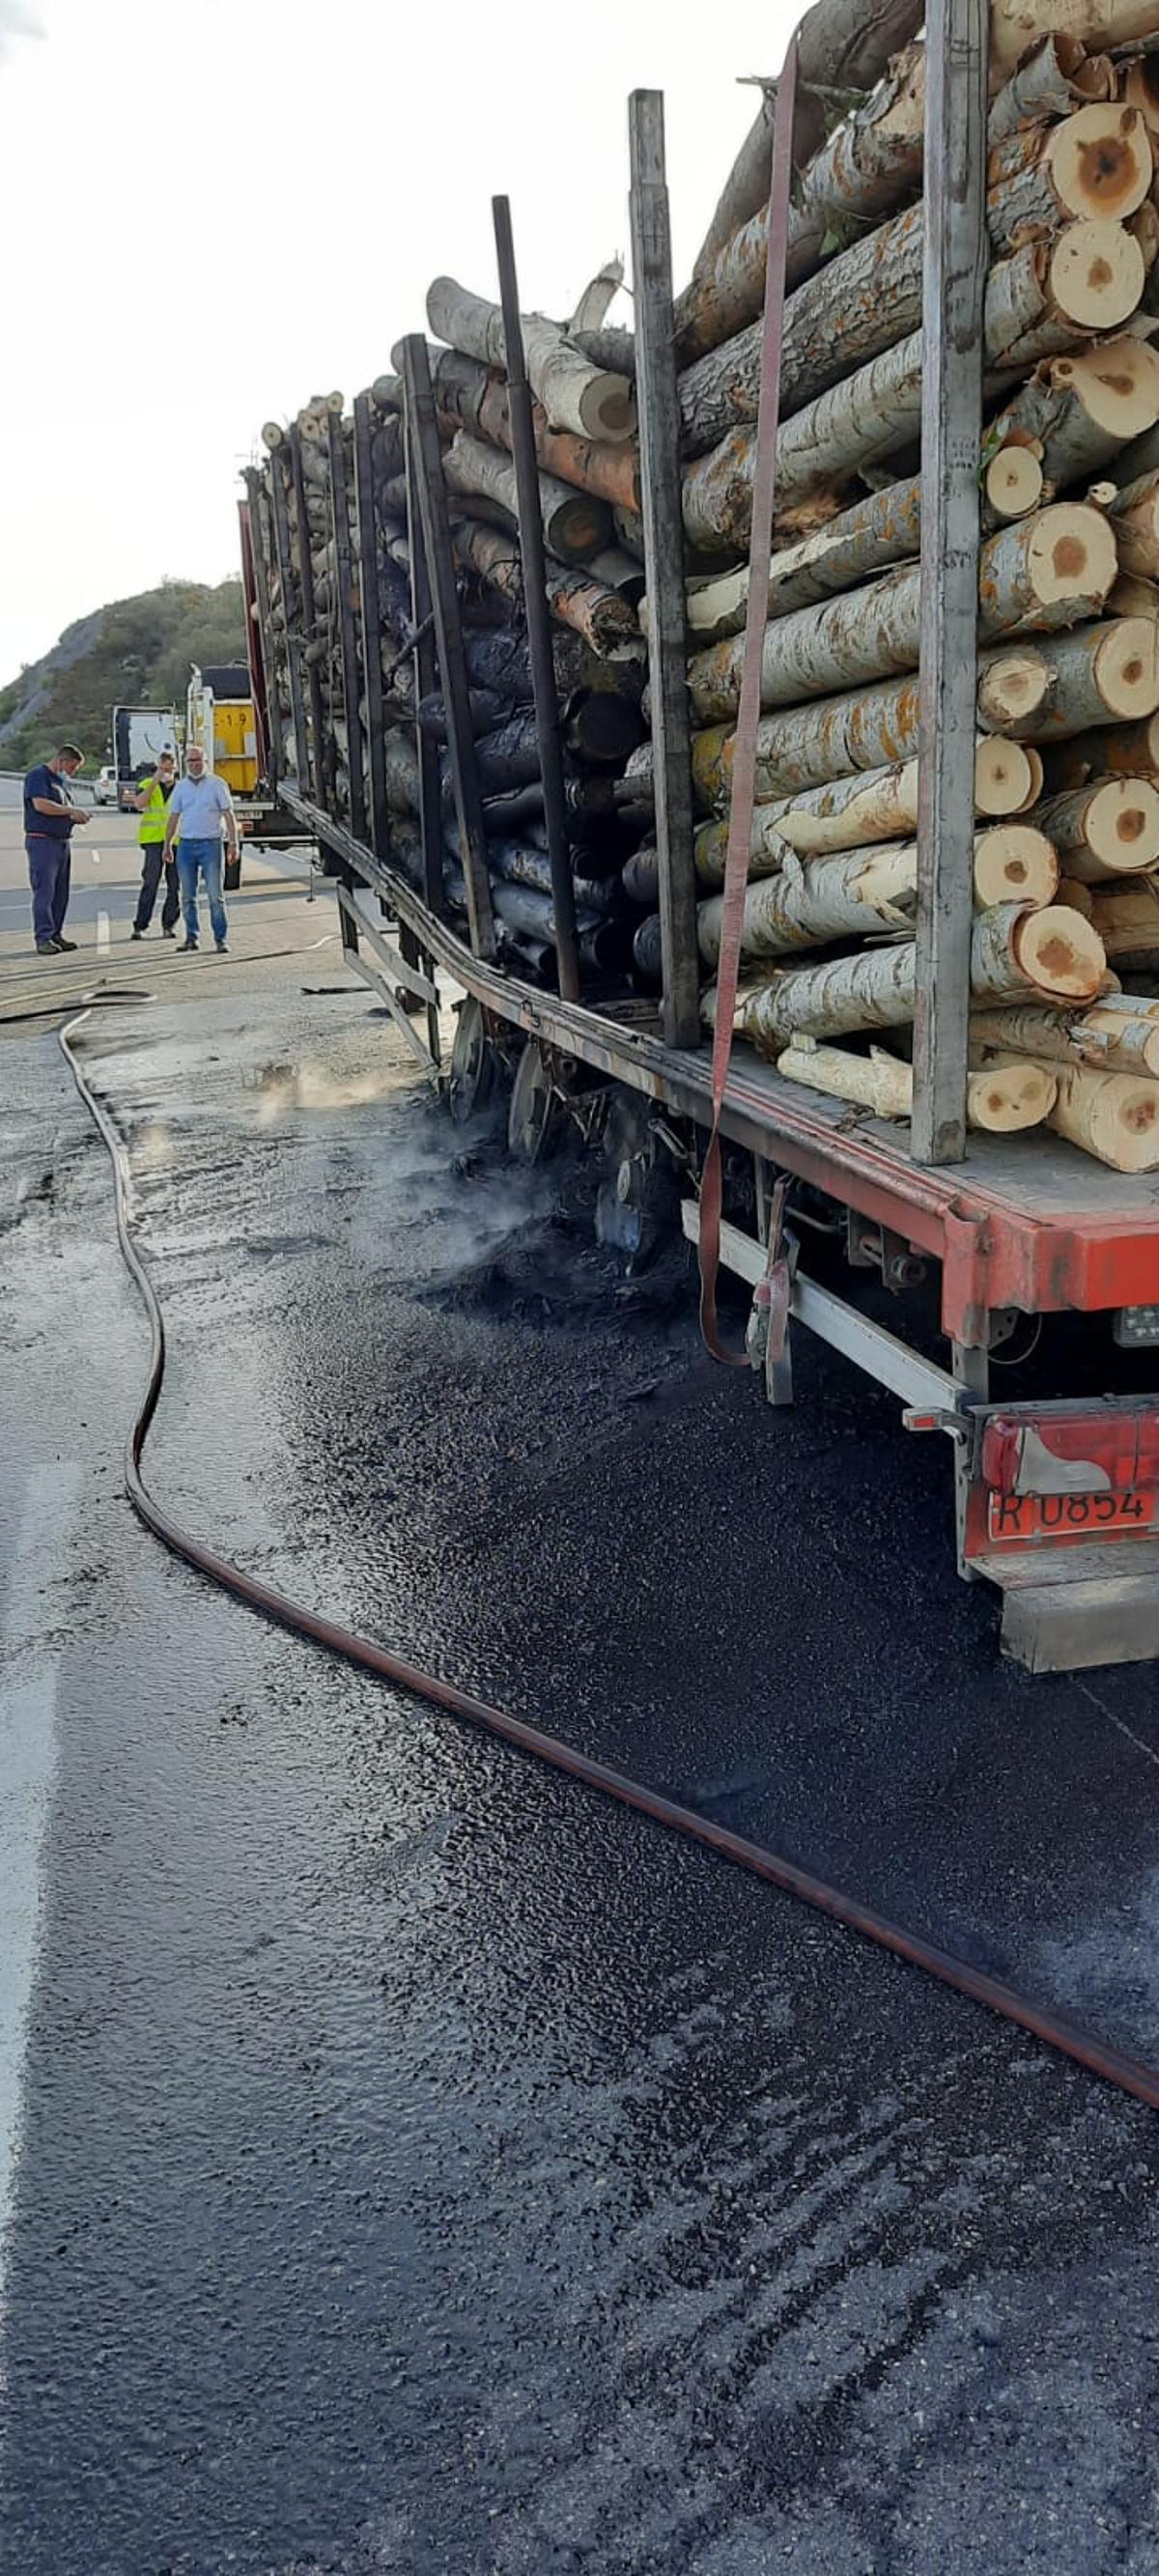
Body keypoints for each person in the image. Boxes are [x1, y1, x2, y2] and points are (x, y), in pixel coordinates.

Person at [162, 745, 239, 954]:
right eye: (191, 761)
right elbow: (174, 817)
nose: (195, 765)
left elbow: (229, 816)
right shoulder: (181, 788)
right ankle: (191, 937)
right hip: (186, 845)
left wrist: (233, 843)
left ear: (206, 762)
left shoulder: (217, 784)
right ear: (186, 764)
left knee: (216, 895)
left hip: (211, 844)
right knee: (187, 896)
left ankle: (220, 939)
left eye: (199, 761)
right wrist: (167, 844)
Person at [23, 743, 89, 954]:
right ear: (63, 761)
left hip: (61, 842)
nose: (71, 773)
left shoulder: (60, 783)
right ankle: (43, 937)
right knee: (45, 891)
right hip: (43, 841)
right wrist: (71, 811)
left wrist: (75, 816)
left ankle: (55, 934)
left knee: (61, 893)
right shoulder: (38, 776)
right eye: (71, 768)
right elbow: (41, 805)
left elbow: (61, 810)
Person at [129, 750, 181, 939]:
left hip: (176, 841)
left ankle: (169, 926)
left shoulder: (182, 787)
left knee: (175, 885)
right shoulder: (146, 784)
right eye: (162, 768)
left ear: (175, 769)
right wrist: (154, 781)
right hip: (153, 841)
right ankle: (140, 926)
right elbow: (139, 804)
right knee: (150, 883)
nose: (166, 772)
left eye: (169, 769)